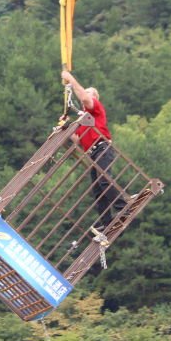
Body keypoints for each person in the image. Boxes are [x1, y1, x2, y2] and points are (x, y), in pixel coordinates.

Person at [60, 70, 127, 228]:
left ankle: (122, 207)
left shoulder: (95, 109)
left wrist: (71, 79)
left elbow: (83, 97)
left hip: (102, 148)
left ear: (95, 98)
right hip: (92, 153)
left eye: (89, 94)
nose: (85, 96)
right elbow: (76, 140)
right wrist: (64, 126)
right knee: (98, 192)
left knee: (104, 180)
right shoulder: (83, 121)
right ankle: (107, 222)